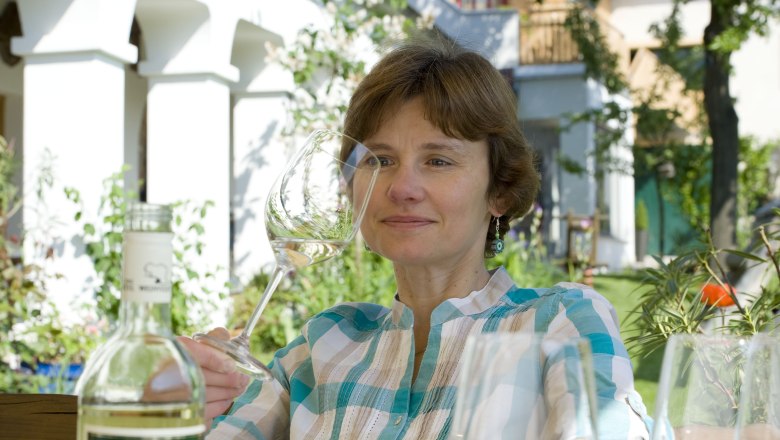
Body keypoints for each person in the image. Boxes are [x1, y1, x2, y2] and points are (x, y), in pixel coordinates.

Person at [180, 35, 652, 439]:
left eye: (439, 160)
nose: (401, 188)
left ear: (500, 192)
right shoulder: (323, 342)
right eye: (378, 160)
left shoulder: (559, 324)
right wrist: (172, 407)